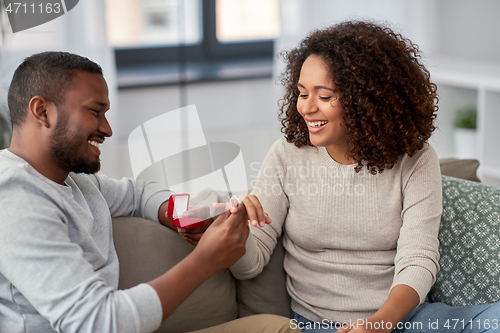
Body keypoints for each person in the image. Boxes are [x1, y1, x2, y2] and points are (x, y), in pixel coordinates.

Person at [225, 21, 500, 333]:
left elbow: (418, 260)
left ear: (366, 100)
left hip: (405, 320)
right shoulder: (287, 154)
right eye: (302, 93)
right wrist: (233, 235)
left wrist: (379, 324)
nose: (307, 107)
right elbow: (253, 261)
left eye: (324, 96)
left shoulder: (416, 160)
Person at [0, 51, 298, 333]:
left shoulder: (74, 182)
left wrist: (183, 216)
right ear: (42, 111)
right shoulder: (14, 196)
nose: (107, 129)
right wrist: (206, 260)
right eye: (95, 111)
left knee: (279, 327)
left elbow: (137, 195)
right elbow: (97, 322)